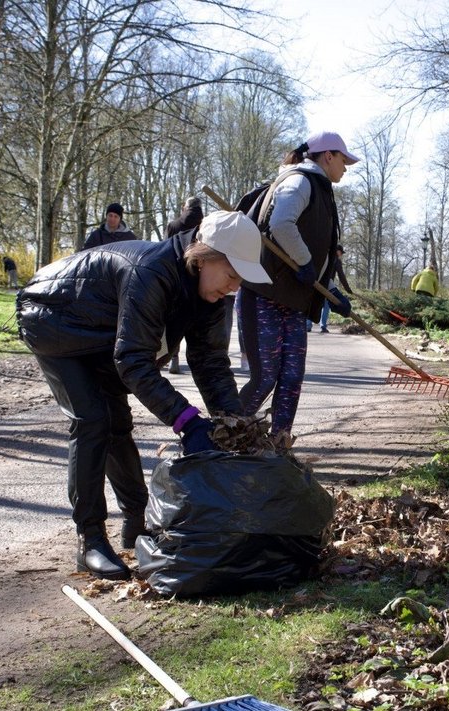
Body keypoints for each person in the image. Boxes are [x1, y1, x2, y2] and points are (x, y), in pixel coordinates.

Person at [15, 211, 270, 580]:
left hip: (101, 325)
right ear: (202, 256)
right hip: (53, 317)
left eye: (240, 281)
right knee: (93, 420)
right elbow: (133, 361)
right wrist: (186, 422)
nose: (233, 288)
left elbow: (211, 362)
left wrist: (234, 427)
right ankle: (89, 542)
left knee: (118, 422)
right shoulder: (152, 272)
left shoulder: (211, 296)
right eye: (231, 275)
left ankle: (136, 522)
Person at [238, 130, 358, 439]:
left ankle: (280, 445)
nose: (346, 167)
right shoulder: (299, 181)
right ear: (327, 156)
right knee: (264, 377)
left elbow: (317, 254)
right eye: (343, 160)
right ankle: (221, 437)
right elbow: (280, 224)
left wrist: (331, 291)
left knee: (292, 377)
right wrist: (303, 261)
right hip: (263, 295)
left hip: (293, 302)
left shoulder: (321, 190)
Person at [164, 197, 207, 375]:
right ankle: (201, 360)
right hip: (199, 277)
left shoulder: (173, 225)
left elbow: (165, 249)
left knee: (174, 320)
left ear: (185, 208)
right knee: (199, 321)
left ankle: (173, 357)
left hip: (176, 277)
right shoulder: (206, 225)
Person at [308, 245, 353, 333]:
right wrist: (347, 289)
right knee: (326, 306)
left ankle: (308, 325)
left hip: (316, 282)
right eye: (341, 253)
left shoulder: (323, 255)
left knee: (313, 303)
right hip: (327, 285)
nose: (341, 255)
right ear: (338, 251)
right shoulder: (336, 260)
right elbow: (341, 276)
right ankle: (323, 326)